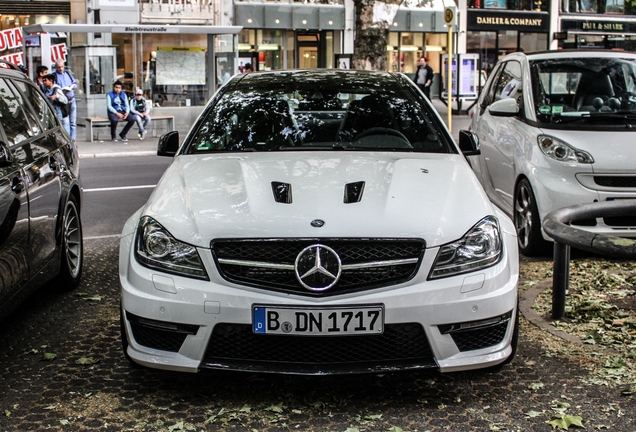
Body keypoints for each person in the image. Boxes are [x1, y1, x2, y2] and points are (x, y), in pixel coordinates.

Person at [53, 59, 78, 141]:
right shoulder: (55, 76)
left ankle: (73, 139)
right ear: (56, 67)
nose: (61, 69)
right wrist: (63, 91)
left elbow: (75, 84)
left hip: (72, 99)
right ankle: (68, 140)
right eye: (59, 67)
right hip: (63, 102)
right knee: (65, 123)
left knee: (73, 122)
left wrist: (72, 86)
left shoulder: (68, 74)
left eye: (62, 67)